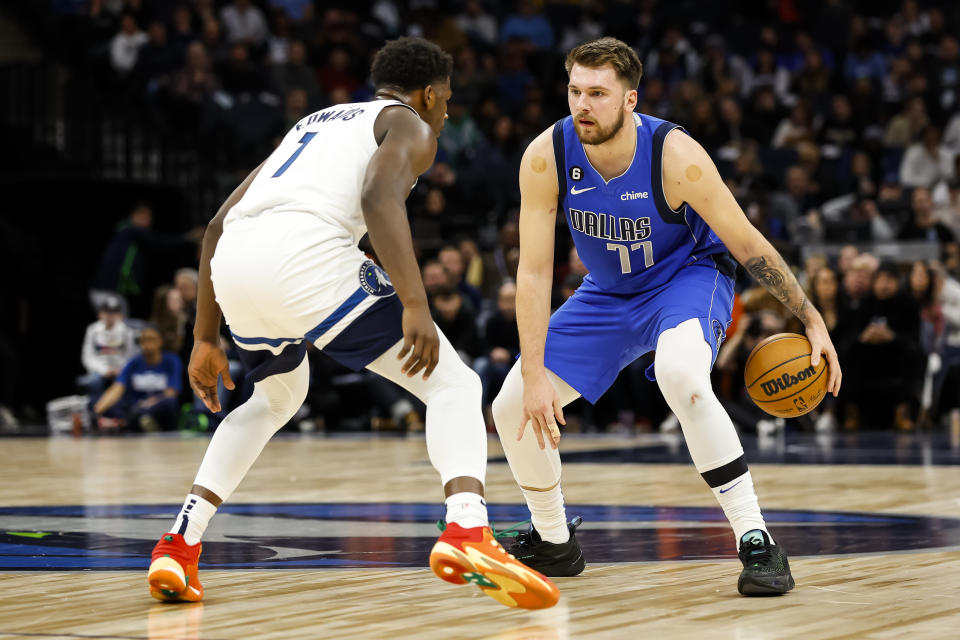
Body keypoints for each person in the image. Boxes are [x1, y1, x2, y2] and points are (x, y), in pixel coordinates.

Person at [146, 37, 558, 611]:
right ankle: (467, 529)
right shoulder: (410, 123)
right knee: (454, 385)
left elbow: (216, 224)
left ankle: (179, 545)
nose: (445, 110)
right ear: (430, 93)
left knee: (273, 400)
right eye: (447, 99)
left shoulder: (311, 123)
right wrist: (415, 302)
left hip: (236, 261)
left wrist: (203, 338)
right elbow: (376, 197)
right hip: (305, 255)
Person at [491, 38, 842, 596]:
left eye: (598, 94)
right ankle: (554, 541)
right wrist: (533, 372)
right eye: (575, 91)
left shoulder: (675, 156)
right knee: (511, 405)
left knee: (682, 375)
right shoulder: (546, 155)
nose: (583, 104)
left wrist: (811, 318)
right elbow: (533, 274)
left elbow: (747, 243)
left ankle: (756, 539)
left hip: (687, 278)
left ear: (630, 99)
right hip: (607, 293)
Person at [92, 325, 182, 431]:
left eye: (151, 340)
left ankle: (124, 423)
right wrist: (96, 411)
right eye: (143, 340)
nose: (147, 344)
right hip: (136, 405)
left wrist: (150, 403)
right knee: (96, 401)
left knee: (169, 403)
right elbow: (117, 388)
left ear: (160, 341)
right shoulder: (133, 363)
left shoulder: (172, 361)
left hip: (158, 405)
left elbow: (172, 392)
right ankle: (136, 422)